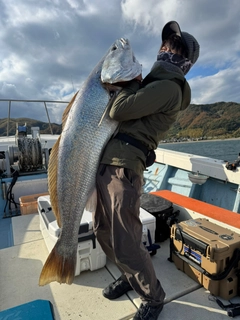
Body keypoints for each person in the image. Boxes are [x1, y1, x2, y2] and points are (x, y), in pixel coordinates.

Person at [93, 21, 200, 320]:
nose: (166, 50)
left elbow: (118, 110)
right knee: (103, 230)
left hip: (124, 166)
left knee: (126, 239)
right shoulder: (155, 81)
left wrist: (132, 79)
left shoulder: (168, 86)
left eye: (175, 48)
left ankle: (153, 297)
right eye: (165, 45)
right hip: (108, 162)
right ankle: (130, 277)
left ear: (186, 62)